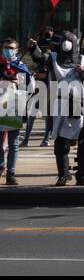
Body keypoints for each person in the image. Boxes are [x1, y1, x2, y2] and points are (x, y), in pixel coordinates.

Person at [50, 38, 84, 187]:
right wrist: (34, 48)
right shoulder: (55, 59)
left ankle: (82, 175)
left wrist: (83, 73)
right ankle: (63, 174)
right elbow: (40, 58)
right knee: (61, 142)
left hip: (79, 104)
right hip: (61, 104)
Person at [0, 40, 28, 185]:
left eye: (11, 48)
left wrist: (19, 83)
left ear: (17, 50)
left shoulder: (21, 66)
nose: (8, 50)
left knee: (13, 142)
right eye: (6, 48)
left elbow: (30, 85)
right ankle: (0, 167)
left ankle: (11, 173)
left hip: (13, 105)